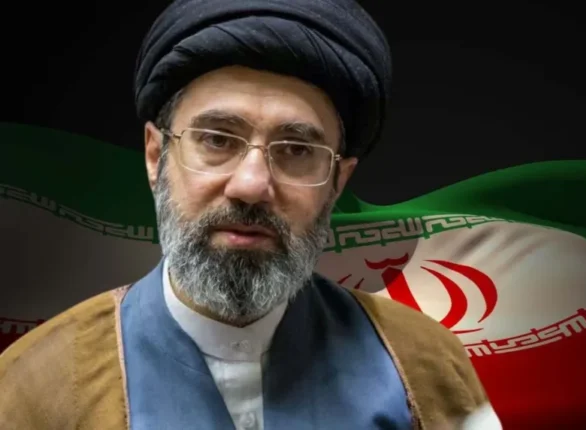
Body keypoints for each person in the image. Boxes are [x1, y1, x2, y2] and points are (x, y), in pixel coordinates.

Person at [0, 0, 500, 428]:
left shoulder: (425, 366)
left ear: (338, 181)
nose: (251, 185)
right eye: (218, 140)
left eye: (297, 150)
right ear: (156, 156)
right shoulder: (34, 384)